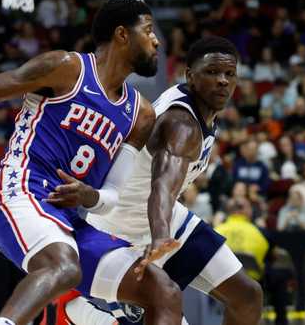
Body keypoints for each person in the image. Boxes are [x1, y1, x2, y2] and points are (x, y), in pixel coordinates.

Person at [0, 0, 183, 325]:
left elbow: (111, 195)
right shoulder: (66, 68)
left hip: (70, 220)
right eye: (149, 31)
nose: (157, 41)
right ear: (123, 35)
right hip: (19, 190)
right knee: (63, 266)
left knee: (162, 291)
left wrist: (91, 196)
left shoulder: (141, 114)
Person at [55, 37, 262, 325]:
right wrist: (161, 236)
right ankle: (76, 311)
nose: (223, 81)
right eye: (212, 72)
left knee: (247, 295)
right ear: (190, 75)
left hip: (166, 221)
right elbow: (162, 187)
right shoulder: (181, 125)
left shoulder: (203, 110)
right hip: (124, 230)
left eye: (229, 73)